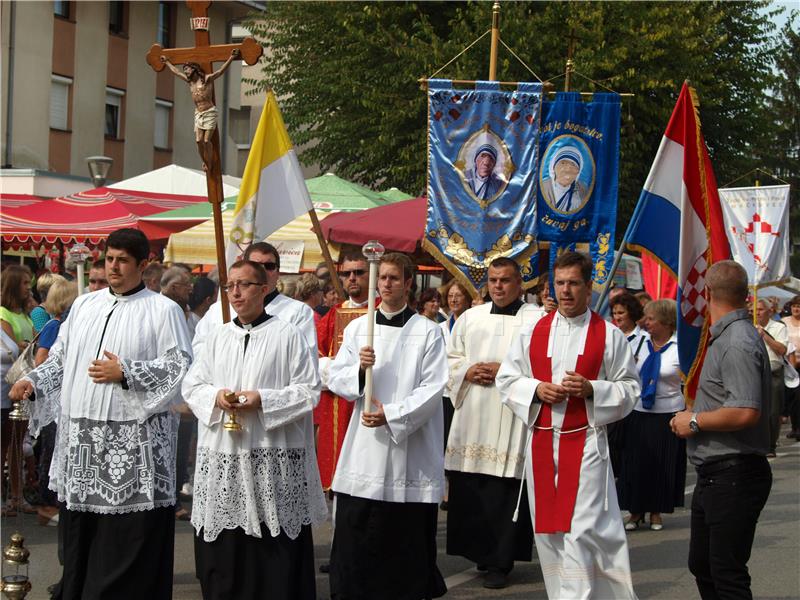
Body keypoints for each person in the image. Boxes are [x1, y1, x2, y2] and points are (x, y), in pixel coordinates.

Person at [9, 228, 192, 599]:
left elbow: (179, 367)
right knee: (81, 539)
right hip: (83, 442)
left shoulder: (163, 310)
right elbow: (62, 358)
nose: (113, 267)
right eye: (109, 259)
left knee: (126, 543)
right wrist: (34, 380)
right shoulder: (85, 305)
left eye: (123, 260)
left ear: (143, 265)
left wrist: (126, 372)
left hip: (133, 445)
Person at [496, 250, 640, 599]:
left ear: (589, 287)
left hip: (587, 443)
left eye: (573, 283)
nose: (565, 291)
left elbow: (630, 388)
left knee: (581, 529)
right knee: (549, 532)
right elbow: (507, 379)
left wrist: (593, 389)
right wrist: (535, 388)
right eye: (559, 283)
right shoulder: (533, 333)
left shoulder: (607, 334)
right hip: (542, 442)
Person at [182, 260, 326, 600]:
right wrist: (217, 396)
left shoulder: (286, 334)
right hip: (226, 454)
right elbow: (193, 384)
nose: (235, 292)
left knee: (271, 546)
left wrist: (262, 400)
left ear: (263, 289)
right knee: (228, 549)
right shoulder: (218, 334)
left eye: (244, 284)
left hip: (269, 453)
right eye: (230, 285)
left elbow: (309, 391)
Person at [327, 252, 448, 600]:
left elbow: (433, 386)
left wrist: (393, 414)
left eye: (394, 278)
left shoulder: (427, 331)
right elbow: (337, 377)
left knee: (402, 536)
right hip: (364, 448)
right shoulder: (359, 328)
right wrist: (360, 372)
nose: (386, 284)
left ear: (409, 284)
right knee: (357, 528)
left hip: (407, 447)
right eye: (382, 278)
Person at [670, 260, 772, 600]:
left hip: (735, 472)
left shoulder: (737, 342)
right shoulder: (729, 336)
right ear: (745, 295)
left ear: (708, 292)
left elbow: (745, 411)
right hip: (718, 472)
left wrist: (695, 420)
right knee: (705, 566)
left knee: (726, 574)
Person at [445, 257, 544, 589]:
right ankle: (479, 554)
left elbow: (544, 364)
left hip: (510, 414)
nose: (498, 286)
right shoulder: (470, 318)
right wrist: (469, 371)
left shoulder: (536, 320)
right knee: (473, 488)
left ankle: (501, 562)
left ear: (520, 283)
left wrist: (505, 370)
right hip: (473, 411)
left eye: (505, 280)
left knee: (504, 490)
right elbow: (450, 359)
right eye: (493, 280)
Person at [617, 299, 686, 531]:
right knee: (636, 463)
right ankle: (635, 512)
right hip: (638, 411)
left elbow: (687, 379)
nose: (645, 323)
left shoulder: (680, 347)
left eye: (651, 319)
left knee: (661, 464)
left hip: (667, 412)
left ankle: (656, 512)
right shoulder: (639, 343)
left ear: (666, 322)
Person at [193, 242, 317, 360]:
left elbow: (305, 359)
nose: (262, 271)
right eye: (255, 265)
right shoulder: (218, 311)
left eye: (269, 266)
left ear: (278, 272)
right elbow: (198, 351)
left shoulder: (298, 312)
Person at [314, 254, 375, 491]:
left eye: (359, 273)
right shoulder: (333, 314)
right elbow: (316, 358)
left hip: (371, 396)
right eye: (347, 274)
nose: (352, 278)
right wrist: (340, 371)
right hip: (337, 400)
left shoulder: (382, 311)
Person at [33, 278, 79, 526]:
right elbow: (41, 359)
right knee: (51, 450)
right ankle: (46, 505)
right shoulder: (55, 325)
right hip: (55, 399)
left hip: (64, 398)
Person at [161, 50, 240, 167]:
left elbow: (220, 71)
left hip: (209, 112)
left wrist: (231, 57)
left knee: (207, 141)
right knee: (198, 141)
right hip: (198, 113)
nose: (185, 72)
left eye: (187, 69)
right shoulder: (190, 82)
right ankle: (205, 161)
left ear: (194, 69)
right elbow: (176, 72)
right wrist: (167, 62)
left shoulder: (206, 79)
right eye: (185, 70)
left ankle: (211, 158)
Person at [438, 280, 472, 511]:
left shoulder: (473, 323)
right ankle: (446, 488)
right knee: (444, 440)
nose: (454, 299)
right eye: (450, 295)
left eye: (459, 295)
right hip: (444, 391)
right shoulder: (440, 327)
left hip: (464, 390)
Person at [755, 298, 788, 457]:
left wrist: (765, 336)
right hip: (755, 372)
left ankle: (771, 445)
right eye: (755, 309)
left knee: (773, 411)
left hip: (773, 372)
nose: (757, 312)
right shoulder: (748, 327)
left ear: (769, 311)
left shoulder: (779, 327)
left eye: (760, 309)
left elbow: (782, 349)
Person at [540, 147, 589, 213]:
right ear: (553, 167)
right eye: (563, 163)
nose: (568, 169)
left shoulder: (583, 191)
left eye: (573, 164)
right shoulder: (542, 187)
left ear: (578, 171)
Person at [0, 264, 34, 352]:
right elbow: (10, 350)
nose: (29, 287)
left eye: (29, 283)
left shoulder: (25, 314)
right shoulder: (3, 313)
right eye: (25, 283)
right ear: (13, 286)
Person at [781, 295, 800, 440]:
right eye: (794, 306)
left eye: (799, 306)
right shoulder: (784, 323)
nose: (796, 309)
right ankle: (795, 427)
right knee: (792, 397)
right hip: (788, 364)